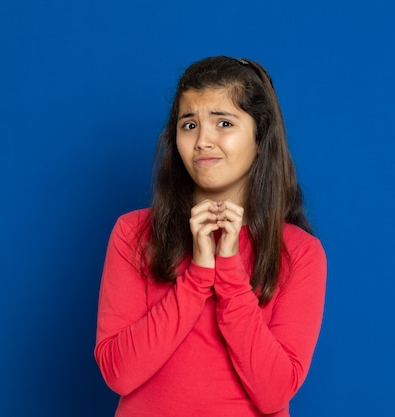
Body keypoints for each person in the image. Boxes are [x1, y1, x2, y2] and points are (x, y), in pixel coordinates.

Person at [94, 56, 327, 417]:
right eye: (189, 124)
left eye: (223, 122)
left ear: (261, 137)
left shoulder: (300, 252)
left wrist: (230, 272)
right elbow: (118, 373)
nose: (203, 140)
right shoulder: (133, 233)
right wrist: (197, 278)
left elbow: (275, 392)